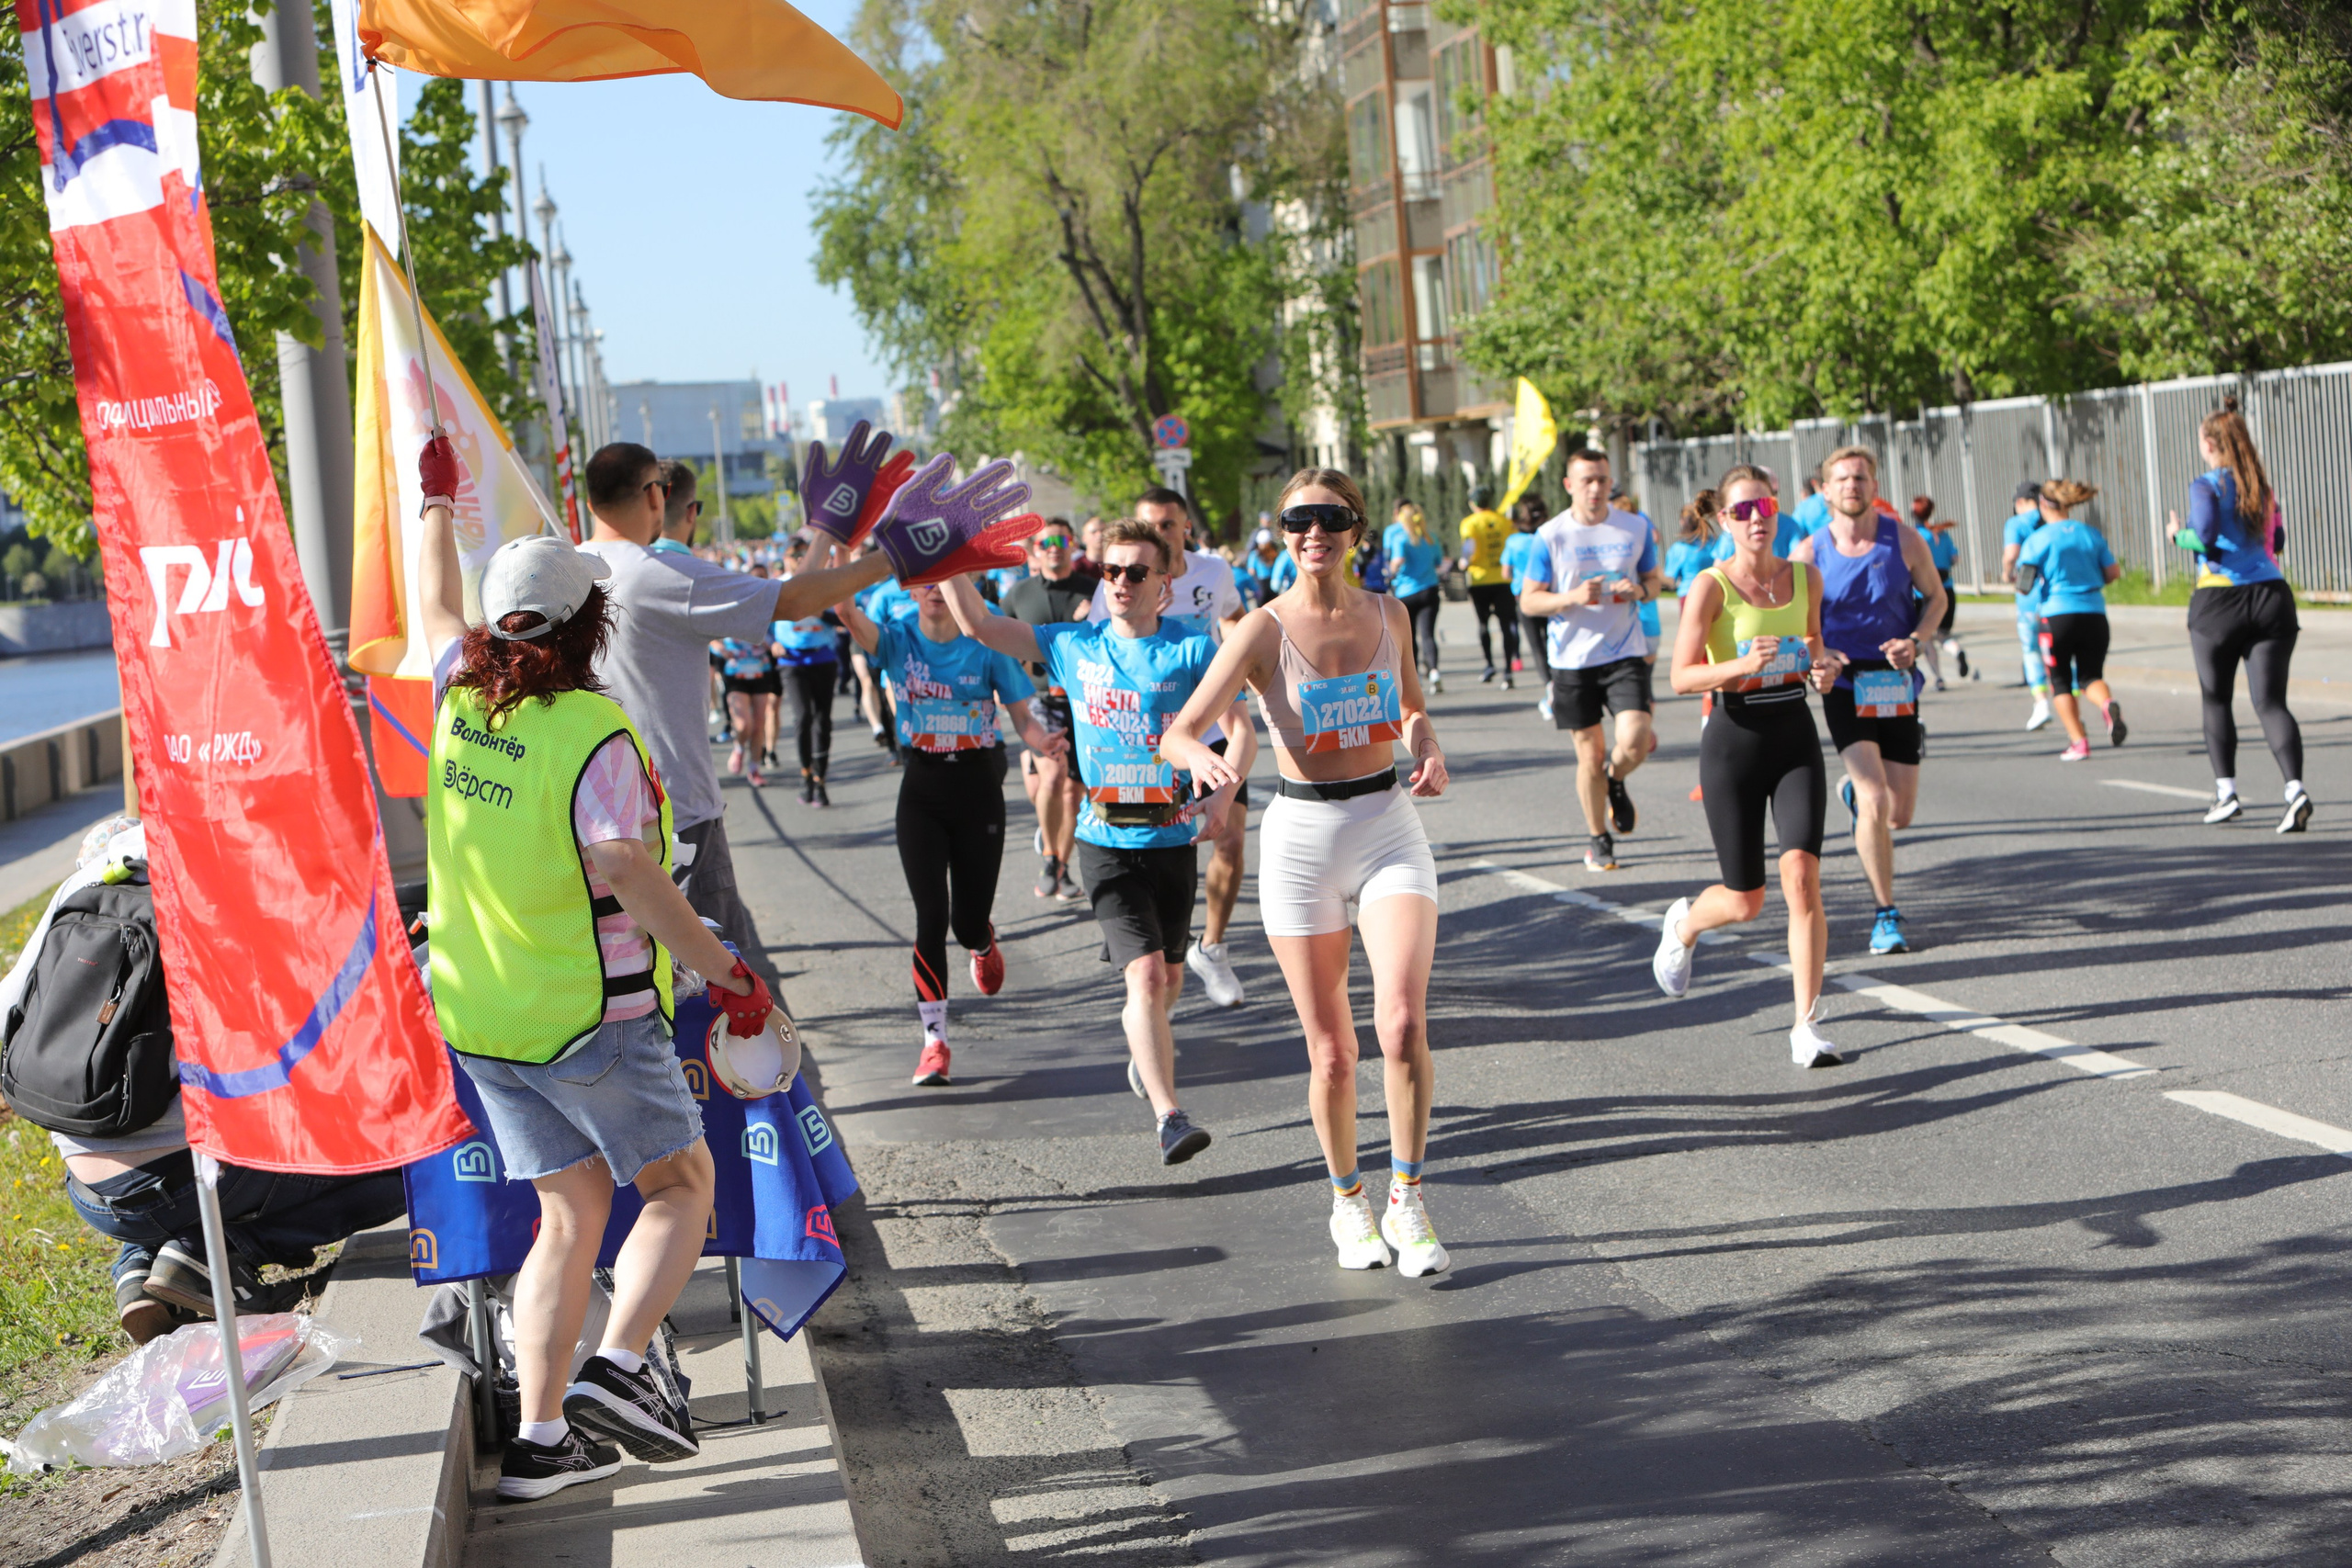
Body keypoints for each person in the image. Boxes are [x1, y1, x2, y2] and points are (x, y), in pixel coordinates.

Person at [413, 452, 779, 1501]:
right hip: (591, 1014)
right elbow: (623, 864)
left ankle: (539, 1443)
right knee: (681, 1187)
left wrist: (434, 502)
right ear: (589, 625)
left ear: (497, 627)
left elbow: (434, 605)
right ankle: (618, 1370)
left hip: (485, 1018)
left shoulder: (457, 697)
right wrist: (723, 968)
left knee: (567, 1216)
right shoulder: (594, 730)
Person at [1163, 467, 1451, 1278]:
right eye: (1296, 521)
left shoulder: (1390, 613)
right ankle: (1347, 1199)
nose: (1312, 532)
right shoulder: (1260, 629)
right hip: (1301, 842)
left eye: (1329, 517)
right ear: (1283, 533)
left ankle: (1407, 1198)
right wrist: (1206, 764)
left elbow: (1411, 707)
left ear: (1356, 527)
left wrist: (1427, 747)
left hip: (1387, 825)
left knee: (1402, 1024)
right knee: (1332, 1053)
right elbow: (1180, 731)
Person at [941, 521, 1237, 1165]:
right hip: (1104, 836)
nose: (1122, 582)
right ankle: (1170, 1116)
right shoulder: (1074, 644)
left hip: (1172, 835)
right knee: (1146, 974)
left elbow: (1240, 726)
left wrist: (1223, 793)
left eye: (1137, 572)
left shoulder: (1192, 648)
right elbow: (981, 627)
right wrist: (947, 562)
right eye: (1111, 570)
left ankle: (1146, 1042)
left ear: (1164, 583)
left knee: (1169, 978)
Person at [577, 444, 890, 1000]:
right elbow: (792, 603)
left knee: (634, 994)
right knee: (729, 997)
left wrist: (822, 534)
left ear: (589, 501)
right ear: (656, 497)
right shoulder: (663, 573)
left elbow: (781, 599)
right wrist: (896, 558)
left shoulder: (564, 573)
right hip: (675, 817)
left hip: (589, 822)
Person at [1650, 465, 1847, 1067]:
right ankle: (1684, 926)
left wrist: (1825, 668)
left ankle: (1806, 1025)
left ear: (1778, 509)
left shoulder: (1806, 577)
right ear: (1725, 519)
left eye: (1764, 507)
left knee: (1802, 877)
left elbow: (1813, 645)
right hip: (1733, 739)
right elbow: (1681, 676)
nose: (1756, 519)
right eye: (1742, 511)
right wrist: (1739, 665)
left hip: (1793, 734)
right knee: (1745, 901)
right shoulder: (1712, 585)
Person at [840, 575, 1055, 1086]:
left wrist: (1047, 743)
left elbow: (1023, 717)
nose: (936, 588)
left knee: (966, 923)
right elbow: (847, 612)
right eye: (926, 580)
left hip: (978, 786)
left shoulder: (986, 643)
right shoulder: (897, 639)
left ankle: (982, 942)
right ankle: (934, 1041)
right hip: (922, 788)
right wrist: (843, 549)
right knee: (930, 917)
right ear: (911, 590)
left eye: (948, 580)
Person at [1093, 489, 1255, 1010]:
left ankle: (1213, 947)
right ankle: (1157, 967)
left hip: (1213, 729)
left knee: (1231, 840)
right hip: (1154, 741)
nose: (1157, 533)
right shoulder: (1127, 579)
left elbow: (1234, 618)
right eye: (1148, 524)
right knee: (1166, 852)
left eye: (1166, 524)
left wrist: (1244, 663)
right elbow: (1098, 643)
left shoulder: (1214, 572)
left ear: (1185, 527)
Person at [1791, 446, 1946, 956]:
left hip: (1896, 681)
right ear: (1826, 490)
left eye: (1860, 478)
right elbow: (1795, 622)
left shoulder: (1904, 540)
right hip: (1845, 684)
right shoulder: (1809, 553)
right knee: (1877, 799)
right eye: (1842, 479)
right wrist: (1819, 654)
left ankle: (1857, 800)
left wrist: (1916, 641)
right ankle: (1885, 915)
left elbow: (1937, 597)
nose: (1852, 486)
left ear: (1874, 486)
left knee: (1898, 815)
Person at [1517, 447, 1667, 873]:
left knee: (1636, 738)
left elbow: (1655, 582)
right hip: (1572, 660)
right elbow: (1529, 601)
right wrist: (1572, 597)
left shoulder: (1635, 527)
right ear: (1570, 485)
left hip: (1625, 652)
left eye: (1603, 479)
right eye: (1587, 480)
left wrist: (1639, 591)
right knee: (1589, 755)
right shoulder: (1551, 535)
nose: (1596, 488)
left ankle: (1615, 780)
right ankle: (1598, 838)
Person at [2168, 398, 2311, 831]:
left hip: (2220, 602)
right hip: (2272, 597)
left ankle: (2226, 793)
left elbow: (2206, 535)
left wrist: (2177, 536)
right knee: (2271, 702)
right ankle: (2295, 791)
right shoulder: (2261, 487)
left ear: (2210, 444)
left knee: (2217, 698)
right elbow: (2278, 540)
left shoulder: (2206, 485)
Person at [1001, 519, 1096, 900]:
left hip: (1085, 699)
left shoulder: (1094, 591)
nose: (1054, 547)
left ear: (1072, 544)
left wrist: (1093, 617)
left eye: (1061, 539)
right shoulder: (1019, 594)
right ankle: (1049, 857)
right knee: (1053, 778)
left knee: (1074, 794)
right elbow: (998, 642)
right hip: (1040, 699)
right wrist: (1007, 684)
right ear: (1035, 550)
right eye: (1045, 542)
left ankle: (1061, 865)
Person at [2014, 480, 2125, 761]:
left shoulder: (2037, 539)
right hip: (2095, 614)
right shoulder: (2090, 533)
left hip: (2056, 616)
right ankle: (2107, 703)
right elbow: (2113, 572)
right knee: (2090, 677)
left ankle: (2079, 743)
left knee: (2060, 682)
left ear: (2043, 505)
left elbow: (2024, 585)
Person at [773, 536, 842, 805]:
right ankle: (805, 776)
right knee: (803, 717)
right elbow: (759, 621)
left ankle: (820, 779)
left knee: (822, 721)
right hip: (792, 661)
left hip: (822, 657)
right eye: (795, 555)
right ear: (785, 559)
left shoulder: (825, 583)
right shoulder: (777, 586)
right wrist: (772, 643)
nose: (800, 559)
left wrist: (820, 610)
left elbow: (844, 617)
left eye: (805, 553)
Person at [714, 570, 780, 787]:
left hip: (761, 671)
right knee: (744, 725)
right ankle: (739, 748)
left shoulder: (766, 610)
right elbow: (710, 637)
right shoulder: (725, 610)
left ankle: (754, 769)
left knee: (759, 724)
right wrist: (720, 649)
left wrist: (773, 645)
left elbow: (776, 636)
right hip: (736, 673)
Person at [1999, 479, 2056, 732]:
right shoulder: (2053, 519)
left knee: (2032, 651)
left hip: (2029, 598)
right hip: (2055, 599)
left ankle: (2041, 703)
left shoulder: (2016, 523)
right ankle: (2072, 705)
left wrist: (2007, 573)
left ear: (2021, 502)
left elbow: (2011, 554)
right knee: (2060, 654)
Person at [1457, 484, 1518, 685]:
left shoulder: (1470, 523)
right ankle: (1508, 670)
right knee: (1506, 625)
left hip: (1480, 580)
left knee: (1483, 624)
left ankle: (1490, 664)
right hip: (1503, 579)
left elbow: (1469, 548)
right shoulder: (1504, 521)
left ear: (1472, 503)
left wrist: (1464, 562)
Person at [1385, 500, 1447, 692]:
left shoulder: (1400, 539)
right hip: (1429, 589)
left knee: (1409, 637)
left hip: (1406, 592)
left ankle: (1415, 678)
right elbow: (1439, 562)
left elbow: (1397, 561)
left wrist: (1391, 571)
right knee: (1428, 634)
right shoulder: (1430, 538)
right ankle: (1434, 671)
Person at [1913, 498, 1968, 688]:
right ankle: (1957, 651)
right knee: (1944, 634)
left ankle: (1939, 678)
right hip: (1947, 590)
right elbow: (1955, 558)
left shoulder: (1915, 536)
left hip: (1924, 593)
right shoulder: (1942, 534)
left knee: (1926, 637)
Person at [1503, 496, 1550, 710]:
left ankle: (1549, 684)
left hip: (1525, 597)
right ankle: (1558, 679)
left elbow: (1506, 572)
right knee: (1552, 639)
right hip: (1550, 594)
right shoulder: (1548, 536)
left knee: (1536, 644)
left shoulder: (1514, 541)